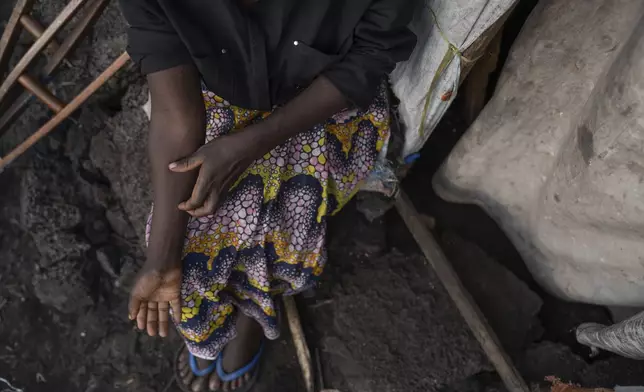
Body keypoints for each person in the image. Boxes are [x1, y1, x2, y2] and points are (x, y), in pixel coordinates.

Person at [119, 0, 418, 391]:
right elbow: (177, 117)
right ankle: (231, 313)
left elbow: (367, 59)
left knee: (287, 223)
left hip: (326, 108)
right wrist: (161, 259)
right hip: (218, 99)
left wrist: (250, 146)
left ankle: (251, 318)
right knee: (188, 254)